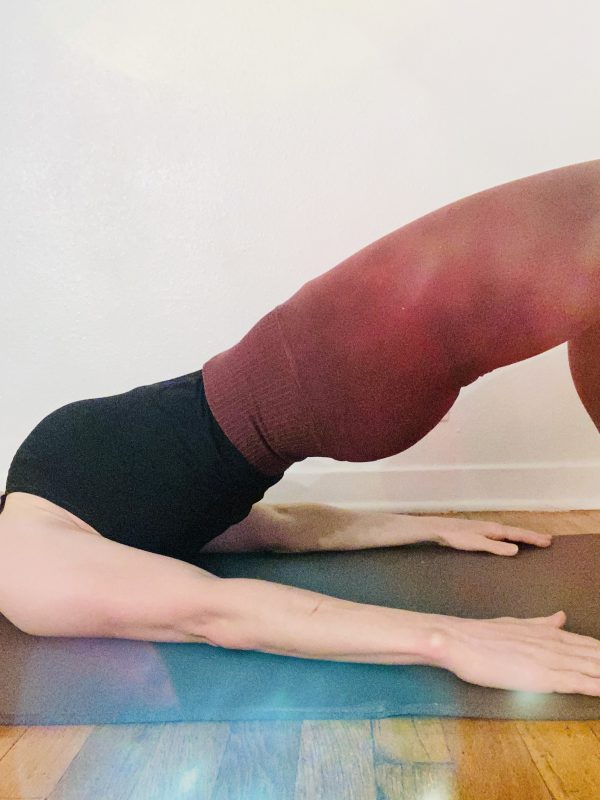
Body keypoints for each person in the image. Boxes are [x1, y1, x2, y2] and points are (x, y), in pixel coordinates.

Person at [1, 159, 600, 698]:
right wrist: (453, 641)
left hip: (335, 369)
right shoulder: (23, 564)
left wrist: (430, 529)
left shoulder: (51, 513)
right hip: (332, 358)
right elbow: (217, 613)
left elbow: (275, 529)